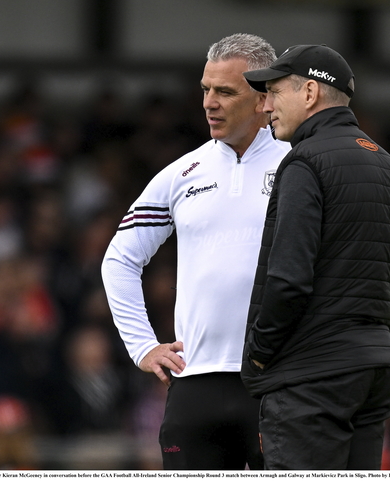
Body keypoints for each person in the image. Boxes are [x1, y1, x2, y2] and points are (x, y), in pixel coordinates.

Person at [101, 33, 290, 470]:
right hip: (194, 387)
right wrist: (142, 345)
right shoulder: (183, 172)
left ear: (264, 98)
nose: (209, 103)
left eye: (225, 91)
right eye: (205, 89)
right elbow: (120, 259)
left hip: (279, 383)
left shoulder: (305, 164)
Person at [240, 44, 390, 470]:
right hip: (374, 375)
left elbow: (288, 280)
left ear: (309, 93)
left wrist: (259, 355)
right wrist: (357, 339)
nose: (265, 106)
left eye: (273, 92)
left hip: (310, 379)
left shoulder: (304, 162)